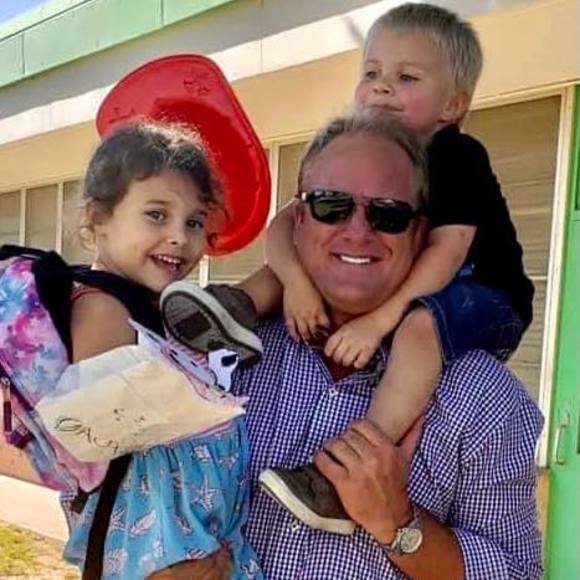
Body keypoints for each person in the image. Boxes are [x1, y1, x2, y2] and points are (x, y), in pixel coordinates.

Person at [161, 2, 535, 534]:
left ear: (453, 105)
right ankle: (233, 310)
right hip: (427, 282)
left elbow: (447, 254)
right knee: (313, 254)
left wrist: (377, 322)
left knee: (421, 328)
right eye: (372, 72)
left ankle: (349, 466)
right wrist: (295, 283)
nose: (382, 87)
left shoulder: (455, 155)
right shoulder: (359, 152)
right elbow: (285, 228)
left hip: (486, 291)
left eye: (406, 78)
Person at [235, 114, 544, 578]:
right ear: (297, 220)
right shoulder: (223, 358)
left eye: (389, 214)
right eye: (331, 205)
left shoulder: (483, 400)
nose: (359, 231)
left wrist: (399, 523)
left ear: (420, 236)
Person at [59, 121, 261, 579]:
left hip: (188, 542)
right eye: (156, 215)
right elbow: (107, 443)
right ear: (98, 218)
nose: (179, 237)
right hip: (157, 554)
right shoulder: (102, 307)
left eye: (194, 222)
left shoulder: (153, 306)